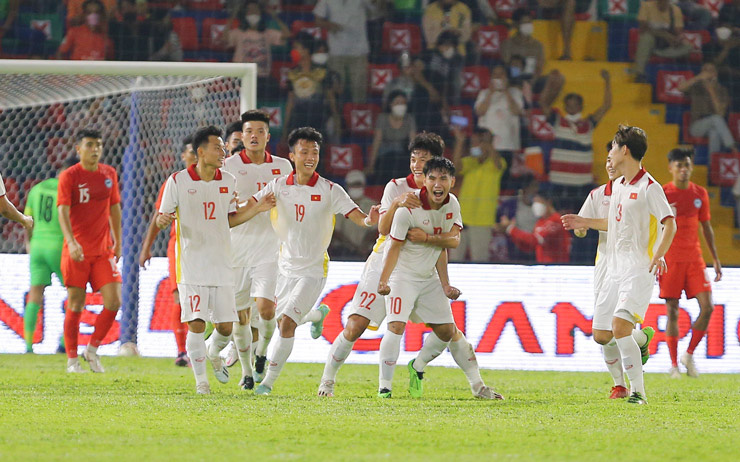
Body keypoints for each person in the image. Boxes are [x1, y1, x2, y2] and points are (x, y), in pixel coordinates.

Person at [318, 132, 499, 399]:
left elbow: (446, 242)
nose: (416, 165)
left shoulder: (445, 197)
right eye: (414, 159)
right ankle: (328, 381)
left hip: (422, 267)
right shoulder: (396, 187)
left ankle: (472, 384)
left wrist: (443, 276)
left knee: (449, 331)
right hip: (385, 262)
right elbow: (382, 228)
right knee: (357, 324)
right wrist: (396, 204)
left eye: (423, 159)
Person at [251, 127, 380, 396]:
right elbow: (252, 203)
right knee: (280, 320)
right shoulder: (278, 186)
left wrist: (370, 219)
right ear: (292, 155)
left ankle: (268, 383)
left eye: (315, 152)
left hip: (313, 269)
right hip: (284, 267)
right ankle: (317, 315)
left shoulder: (329, 189)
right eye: (304, 152)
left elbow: (356, 215)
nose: (310, 157)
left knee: (286, 324)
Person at [156, 125, 276, 394]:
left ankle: (213, 354)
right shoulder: (177, 181)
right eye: (217, 147)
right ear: (200, 152)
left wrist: (257, 208)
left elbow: (230, 219)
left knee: (224, 327)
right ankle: (201, 382)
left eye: (223, 147)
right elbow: (162, 217)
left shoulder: (228, 181)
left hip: (224, 265)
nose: (223, 151)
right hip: (193, 266)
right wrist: (163, 220)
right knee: (197, 323)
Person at [563, 125, 677, 405]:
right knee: (602, 335)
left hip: (638, 269)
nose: (610, 154)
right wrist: (585, 223)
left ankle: (637, 392)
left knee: (619, 328)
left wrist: (659, 253)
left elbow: (670, 223)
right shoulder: (619, 188)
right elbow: (613, 223)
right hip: (611, 269)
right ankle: (642, 339)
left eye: (613, 148)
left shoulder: (649, 187)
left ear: (624, 150)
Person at [376, 157, 503, 400]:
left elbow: (451, 242)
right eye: (432, 177)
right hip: (403, 275)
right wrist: (384, 280)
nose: (437, 183)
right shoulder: (408, 208)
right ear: (423, 180)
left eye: (443, 178)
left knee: (447, 331)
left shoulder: (452, 204)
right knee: (395, 326)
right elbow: (393, 247)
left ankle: (420, 366)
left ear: (452, 182)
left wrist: (444, 283)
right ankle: (385, 387)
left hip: (429, 277)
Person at [222, 110, 293, 389]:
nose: (253, 136)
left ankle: (262, 349)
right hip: (236, 250)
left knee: (265, 308)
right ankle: (247, 371)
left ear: (267, 136)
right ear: (242, 135)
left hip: (270, 248)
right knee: (241, 316)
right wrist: (255, 206)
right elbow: (225, 211)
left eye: (259, 131)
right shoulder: (227, 167)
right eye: (249, 131)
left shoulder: (283, 167)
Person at [57, 128, 122, 373]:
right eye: (89, 145)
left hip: (103, 250)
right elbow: (62, 211)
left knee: (114, 301)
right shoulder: (69, 176)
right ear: (78, 149)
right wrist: (72, 242)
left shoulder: (109, 174)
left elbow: (115, 207)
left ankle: (92, 350)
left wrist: (118, 240)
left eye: (98, 145)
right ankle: (72, 360)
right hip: (77, 251)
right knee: (75, 304)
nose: (95, 149)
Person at [573, 147, 634, 399]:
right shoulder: (597, 195)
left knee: (619, 329)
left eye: (614, 160)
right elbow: (582, 223)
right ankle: (620, 382)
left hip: (631, 266)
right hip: (604, 268)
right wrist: (579, 228)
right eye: (607, 159)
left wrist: (586, 223)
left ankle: (631, 387)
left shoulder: (635, 193)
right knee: (602, 334)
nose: (609, 165)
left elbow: (622, 225)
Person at [660, 147, 722, 378]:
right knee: (672, 311)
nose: (684, 170)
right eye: (680, 166)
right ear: (671, 168)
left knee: (708, 307)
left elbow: (706, 226)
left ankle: (689, 354)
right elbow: (653, 227)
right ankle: (674, 365)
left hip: (695, 259)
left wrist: (715, 259)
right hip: (671, 259)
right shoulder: (663, 193)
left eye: (687, 165)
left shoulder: (700, 193)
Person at [139, 136, 196, 367]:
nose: (194, 156)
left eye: (197, 151)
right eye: (190, 152)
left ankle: (200, 349)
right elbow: (158, 217)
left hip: (209, 248)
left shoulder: (217, 181)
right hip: (180, 247)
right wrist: (147, 248)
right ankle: (182, 351)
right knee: (179, 299)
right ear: (183, 156)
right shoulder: (174, 182)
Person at [22, 157, 77, 354]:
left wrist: (29, 242)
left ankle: (28, 346)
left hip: (37, 245)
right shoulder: (70, 191)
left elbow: (28, 220)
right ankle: (63, 343)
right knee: (75, 293)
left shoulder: (37, 189)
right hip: (59, 246)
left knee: (35, 293)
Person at [543, 70, 612, 213]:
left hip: (581, 184)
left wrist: (607, 82)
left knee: (581, 224)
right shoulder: (557, 121)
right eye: (568, 105)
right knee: (559, 222)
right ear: (565, 106)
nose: (572, 108)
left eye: (575, 105)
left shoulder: (588, 124)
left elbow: (606, 105)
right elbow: (543, 103)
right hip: (559, 183)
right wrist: (550, 83)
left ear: (581, 106)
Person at [450, 127, 506, 263]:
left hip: (482, 221)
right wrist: (460, 142)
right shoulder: (470, 162)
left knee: (480, 261)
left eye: (478, 142)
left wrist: (487, 145)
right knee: (454, 260)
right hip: (461, 219)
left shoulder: (497, 163)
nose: (475, 146)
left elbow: (498, 164)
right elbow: (454, 168)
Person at [223, 0, 289, 102]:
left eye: (255, 10)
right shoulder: (238, 33)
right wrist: (233, 16)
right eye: (249, 10)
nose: (253, 13)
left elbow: (287, 34)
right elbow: (224, 38)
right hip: (242, 77)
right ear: (244, 14)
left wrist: (273, 15)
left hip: (263, 78)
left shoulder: (267, 33)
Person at [313, 0, 377, 103]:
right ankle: (336, 117)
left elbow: (374, 10)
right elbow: (317, 19)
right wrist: (329, 24)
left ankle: (358, 117)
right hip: (336, 51)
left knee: (359, 92)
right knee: (336, 91)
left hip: (359, 52)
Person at [283, 32, 339, 143]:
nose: (293, 51)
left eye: (296, 48)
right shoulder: (292, 74)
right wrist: (285, 128)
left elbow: (331, 98)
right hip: (298, 122)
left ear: (306, 50)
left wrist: (337, 121)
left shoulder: (322, 73)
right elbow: (290, 101)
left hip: (318, 122)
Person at [501, 8, 563, 103]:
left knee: (557, 78)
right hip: (514, 80)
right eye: (524, 23)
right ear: (516, 24)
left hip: (533, 79)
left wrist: (531, 82)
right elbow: (507, 65)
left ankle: (541, 105)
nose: (528, 26)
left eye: (530, 22)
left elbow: (539, 67)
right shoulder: (507, 44)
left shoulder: (537, 45)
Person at [474, 64, 524, 178]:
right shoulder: (484, 93)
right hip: (486, 144)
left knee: (503, 177)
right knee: (484, 175)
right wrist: (490, 93)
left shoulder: (515, 92)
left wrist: (506, 91)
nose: (498, 77)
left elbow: (516, 111)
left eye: (501, 74)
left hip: (507, 144)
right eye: (495, 75)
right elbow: (479, 112)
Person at [677, 62, 739, 155]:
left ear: (715, 73)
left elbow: (720, 113)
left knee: (714, 132)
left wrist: (711, 91)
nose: (708, 73)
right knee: (716, 120)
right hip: (696, 126)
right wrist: (699, 77)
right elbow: (680, 88)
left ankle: (713, 164)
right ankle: (733, 148)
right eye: (705, 70)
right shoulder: (696, 86)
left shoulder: (722, 90)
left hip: (715, 123)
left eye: (710, 70)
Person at [502, 188, 571, 263]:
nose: (535, 205)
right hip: (542, 266)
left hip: (557, 267)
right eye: (534, 202)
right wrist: (513, 234)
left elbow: (534, 240)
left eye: (538, 201)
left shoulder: (556, 221)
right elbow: (529, 246)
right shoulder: (540, 222)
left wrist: (511, 229)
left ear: (548, 202)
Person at [631, 0, 693, 82]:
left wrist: (679, 39)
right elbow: (643, 29)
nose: (662, 3)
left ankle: (657, 53)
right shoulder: (646, 6)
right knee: (646, 38)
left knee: (688, 46)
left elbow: (678, 32)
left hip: (666, 45)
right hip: (651, 41)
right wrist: (664, 34)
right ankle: (639, 73)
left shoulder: (675, 10)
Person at [366, 90, 417, 183]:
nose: (401, 105)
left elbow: (413, 144)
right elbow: (377, 142)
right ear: (390, 104)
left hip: (402, 156)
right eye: (397, 102)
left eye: (403, 103)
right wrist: (371, 165)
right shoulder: (382, 118)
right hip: (385, 156)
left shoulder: (409, 119)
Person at [329, 170, 378, 259]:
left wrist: (364, 245)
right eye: (353, 184)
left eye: (358, 184)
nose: (355, 187)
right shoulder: (340, 203)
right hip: (343, 250)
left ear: (364, 185)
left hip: (366, 251)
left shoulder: (372, 204)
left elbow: (374, 230)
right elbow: (336, 231)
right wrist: (351, 247)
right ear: (347, 186)